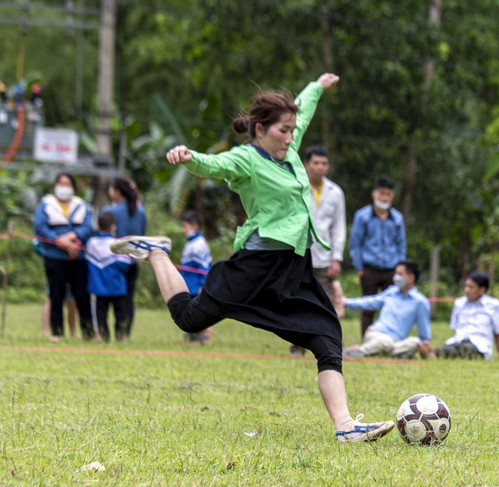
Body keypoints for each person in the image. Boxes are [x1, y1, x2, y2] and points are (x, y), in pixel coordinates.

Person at [110, 73, 394, 442]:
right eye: (283, 131)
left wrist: (318, 86)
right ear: (260, 129)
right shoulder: (247, 159)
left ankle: (346, 428)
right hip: (256, 267)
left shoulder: (290, 150)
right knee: (190, 319)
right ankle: (159, 254)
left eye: (293, 131)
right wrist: (188, 156)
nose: (291, 137)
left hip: (294, 266)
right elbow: (214, 165)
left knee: (327, 336)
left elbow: (304, 109)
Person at [290, 144, 347, 356]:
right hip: (298, 256)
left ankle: (330, 345)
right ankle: (298, 346)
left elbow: (339, 228)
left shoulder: (335, 192)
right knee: (298, 303)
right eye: (316, 163)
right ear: (306, 164)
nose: (320, 167)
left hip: (325, 259)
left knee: (326, 306)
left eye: (324, 163)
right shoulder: (295, 187)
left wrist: (337, 258)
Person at [33, 172, 94, 341]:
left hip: (78, 257)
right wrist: (59, 241)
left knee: (82, 295)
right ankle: (56, 332)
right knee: (56, 294)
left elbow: (88, 228)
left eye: (67, 184)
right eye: (61, 183)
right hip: (54, 256)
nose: (64, 187)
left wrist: (71, 237)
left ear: (73, 187)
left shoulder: (82, 205)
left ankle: (88, 332)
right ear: (55, 185)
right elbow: (40, 227)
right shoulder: (46, 204)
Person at [349, 174, 407, 336]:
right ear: (374, 193)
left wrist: (401, 268)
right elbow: (355, 243)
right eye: (382, 193)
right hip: (370, 269)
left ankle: (388, 340)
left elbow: (401, 245)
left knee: (391, 307)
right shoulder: (362, 216)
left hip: (392, 270)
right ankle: (367, 341)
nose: (385, 197)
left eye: (388, 194)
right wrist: (359, 268)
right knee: (368, 307)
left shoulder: (397, 218)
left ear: (392, 196)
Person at [342, 260, 432, 359]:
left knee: (415, 342)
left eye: (400, 274)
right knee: (385, 342)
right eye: (396, 274)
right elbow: (370, 302)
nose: (396, 277)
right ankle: (357, 352)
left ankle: (368, 351)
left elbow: (424, 335)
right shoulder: (391, 292)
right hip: (375, 334)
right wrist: (346, 302)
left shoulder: (420, 302)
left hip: (396, 341)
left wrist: (424, 346)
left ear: (411, 277)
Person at [103, 177, 147, 338]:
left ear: (117, 191)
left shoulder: (109, 211)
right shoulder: (140, 211)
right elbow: (143, 235)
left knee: (109, 297)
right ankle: (125, 333)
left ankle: (105, 331)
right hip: (133, 260)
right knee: (128, 297)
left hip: (112, 261)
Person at [435, 272, 499, 360]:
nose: (466, 290)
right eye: (466, 286)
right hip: (458, 340)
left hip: (479, 345)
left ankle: (436, 354)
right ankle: (437, 352)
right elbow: (454, 327)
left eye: (471, 287)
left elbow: (498, 332)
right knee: (447, 349)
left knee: (464, 350)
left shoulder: (494, 305)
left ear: (482, 290)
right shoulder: (459, 303)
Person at [86, 212, 132, 342]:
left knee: (100, 315)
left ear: (98, 226)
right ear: (113, 227)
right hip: (117, 287)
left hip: (98, 288)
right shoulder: (118, 243)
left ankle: (102, 336)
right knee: (120, 314)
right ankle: (121, 336)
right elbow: (125, 265)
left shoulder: (91, 243)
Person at [178, 210, 213, 345]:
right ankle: (192, 337)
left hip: (195, 287)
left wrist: (203, 286)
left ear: (195, 226)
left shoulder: (198, 245)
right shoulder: (190, 243)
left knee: (198, 312)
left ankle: (205, 334)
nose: (183, 230)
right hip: (189, 285)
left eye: (185, 226)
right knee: (189, 312)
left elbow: (204, 268)